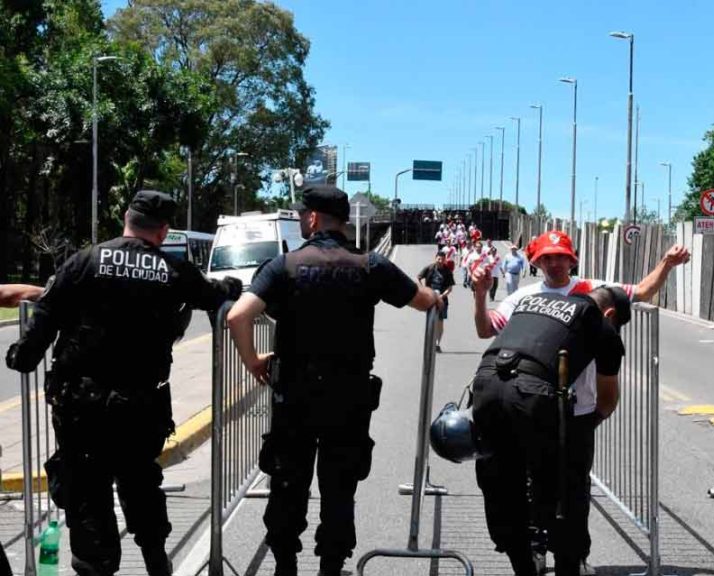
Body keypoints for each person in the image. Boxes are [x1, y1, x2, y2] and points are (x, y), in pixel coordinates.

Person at [5, 190, 242, 576]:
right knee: (141, 481)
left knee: (86, 491)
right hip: (140, 405)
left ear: (126, 220)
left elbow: (44, 319)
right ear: (163, 231)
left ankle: (97, 567)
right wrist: (232, 286)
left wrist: (22, 355)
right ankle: (154, 560)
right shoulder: (172, 270)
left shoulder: (83, 261)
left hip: (81, 406)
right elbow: (212, 293)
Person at [225, 184, 440, 576]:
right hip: (348, 396)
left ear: (311, 218)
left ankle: (286, 566)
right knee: (340, 486)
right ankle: (330, 566)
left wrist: (253, 361)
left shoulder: (284, 265)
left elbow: (238, 316)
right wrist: (436, 293)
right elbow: (423, 301)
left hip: (295, 395)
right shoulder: (370, 265)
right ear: (343, 221)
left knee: (288, 482)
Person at [472, 229, 690, 574]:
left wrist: (666, 263)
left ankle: (569, 555)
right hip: (535, 404)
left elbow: (643, 291)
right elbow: (487, 329)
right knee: (532, 483)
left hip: (577, 408)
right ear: (537, 262)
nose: (554, 264)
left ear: (573, 260)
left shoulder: (594, 291)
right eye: (547, 258)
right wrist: (481, 295)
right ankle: (537, 548)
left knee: (569, 488)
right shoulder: (525, 296)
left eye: (561, 257)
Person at [471, 285, 628, 575]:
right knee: (564, 493)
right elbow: (607, 401)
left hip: (485, 385)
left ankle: (523, 566)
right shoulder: (602, 326)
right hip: (533, 396)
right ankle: (567, 565)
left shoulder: (534, 302)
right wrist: (579, 431)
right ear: (610, 314)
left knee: (503, 486)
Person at [418, 251, 456, 352]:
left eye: (442, 259)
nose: (440, 261)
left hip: (442, 300)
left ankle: (437, 344)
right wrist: (423, 290)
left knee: (440, 322)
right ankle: (430, 341)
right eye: (438, 259)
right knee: (430, 320)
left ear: (445, 260)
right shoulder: (429, 268)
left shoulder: (447, 271)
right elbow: (418, 277)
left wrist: (442, 296)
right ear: (435, 258)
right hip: (429, 298)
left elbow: (450, 288)